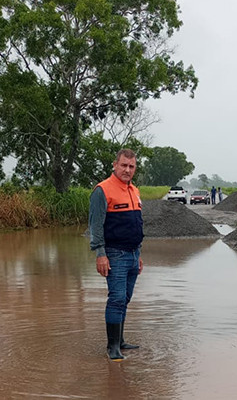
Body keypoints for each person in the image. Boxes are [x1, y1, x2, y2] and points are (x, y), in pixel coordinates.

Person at [89, 148, 144, 361]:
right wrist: (100, 254)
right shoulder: (102, 190)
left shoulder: (135, 191)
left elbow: (136, 224)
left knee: (126, 298)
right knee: (117, 298)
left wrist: (138, 254)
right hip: (114, 254)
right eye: (123, 165)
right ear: (115, 165)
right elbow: (95, 225)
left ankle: (120, 341)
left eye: (131, 166)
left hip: (132, 254)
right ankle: (112, 347)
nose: (127, 170)